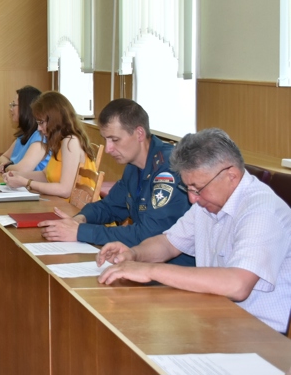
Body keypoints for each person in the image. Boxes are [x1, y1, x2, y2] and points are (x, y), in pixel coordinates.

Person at [97, 129, 291, 333]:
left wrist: (151, 270)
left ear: (231, 175)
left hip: (258, 334)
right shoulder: (206, 203)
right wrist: (134, 254)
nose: (192, 199)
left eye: (197, 188)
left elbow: (237, 285)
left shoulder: (261, 210)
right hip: (215, 319)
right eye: (188, 188)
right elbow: (168, 244)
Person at [38, 99, 194, 265]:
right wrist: (80, 219)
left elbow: (149, 234)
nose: (108, 148)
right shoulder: (134, 166)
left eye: (115, 140)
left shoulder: (169, 169)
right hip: (145, 263)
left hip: (175, 270)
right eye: (105, 139)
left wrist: (82, 232)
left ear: (139, 134)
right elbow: (109, 206)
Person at [3, 91, 96, 198]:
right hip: (62, 205)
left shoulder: (70, 142)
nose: (38, 128)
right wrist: (19, 176)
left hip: (75, 209)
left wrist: (26, 183)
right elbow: (45, 175)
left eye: (41, 122)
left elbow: (65, 190)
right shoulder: (59, 141)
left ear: (55, 120)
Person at [0, 85, 50, 173]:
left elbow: (22, 170)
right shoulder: (24, 135)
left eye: (13, 105)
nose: (11, 109)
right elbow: (3, 157)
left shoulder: (40, 137)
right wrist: (10, 166)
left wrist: (6, 166)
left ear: (26, 108)